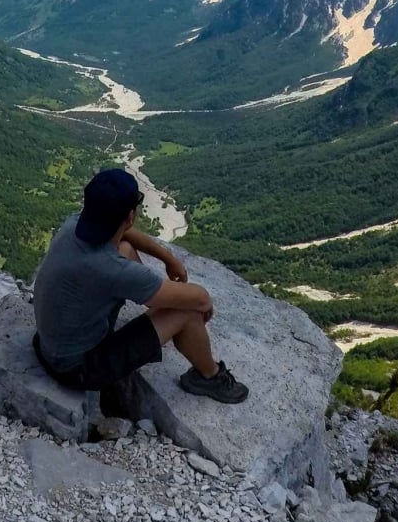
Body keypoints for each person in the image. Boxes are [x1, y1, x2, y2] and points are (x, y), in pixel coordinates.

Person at [32, 167, 249, 403]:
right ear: (130, 216)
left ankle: (156, 308)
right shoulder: (111, 268)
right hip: (77, 368)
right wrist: (201, 302)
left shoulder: (73, 225)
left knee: (124, 248)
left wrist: (169, 259)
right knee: (187, 310)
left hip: (50, 345)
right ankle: (209, 376)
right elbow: (200, 298)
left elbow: (126, 235)